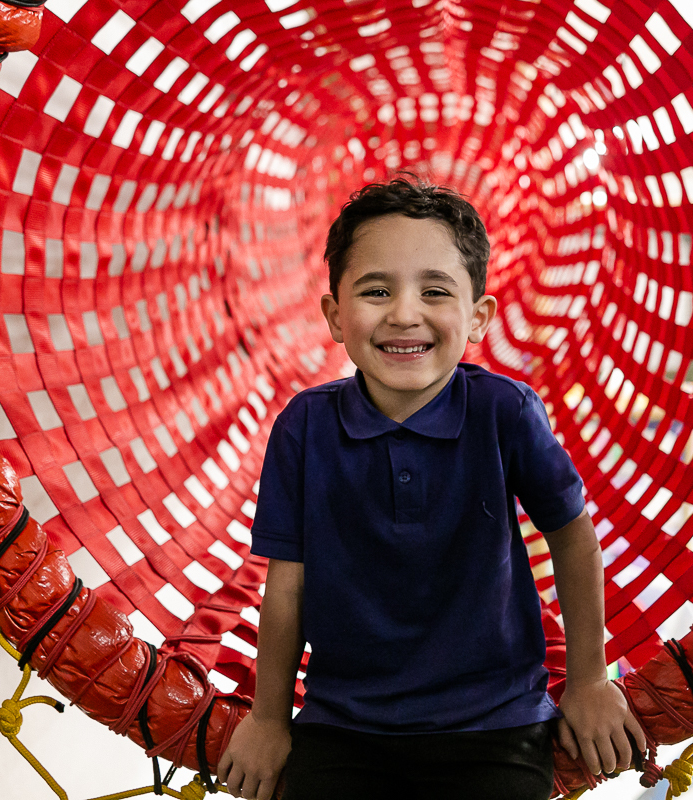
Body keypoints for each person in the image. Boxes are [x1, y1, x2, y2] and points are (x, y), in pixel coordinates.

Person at [216, 176, 646, 799]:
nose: (404, 313)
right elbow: (288, 584)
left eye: (435, 290)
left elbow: (573, 539)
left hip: (495, 722)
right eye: (376, 290)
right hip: (344, 725)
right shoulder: (305, 427)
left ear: (478, 317)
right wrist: (268, 719)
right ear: (335, 315)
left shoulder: (504, 412)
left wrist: (587, 681)